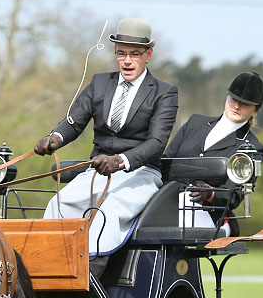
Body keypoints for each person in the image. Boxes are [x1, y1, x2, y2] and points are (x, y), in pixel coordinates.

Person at [34, 18, 178, 267]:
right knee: (59, 203)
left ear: (148, 54)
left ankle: (91, 273)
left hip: (140, 173)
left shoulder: (164, 92)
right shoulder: (99, 83)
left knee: (106, 212)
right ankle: (49, 269)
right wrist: (55, 138)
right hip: (97, 171)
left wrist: (120, 161)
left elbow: (157, 142)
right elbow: (74, 120)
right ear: (115, 54)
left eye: (134, 54)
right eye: (121, 54)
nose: (127, 61)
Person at [163, 71, 263, 235]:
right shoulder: (195, 123)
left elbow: (235, 194)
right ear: (227, 97)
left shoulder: (252, 147)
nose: (237, 106)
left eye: (245, 104)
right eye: (234, 99)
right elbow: (165, 161)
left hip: (210, 214)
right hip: (167, 201)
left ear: (256, 109)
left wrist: (211, 193)